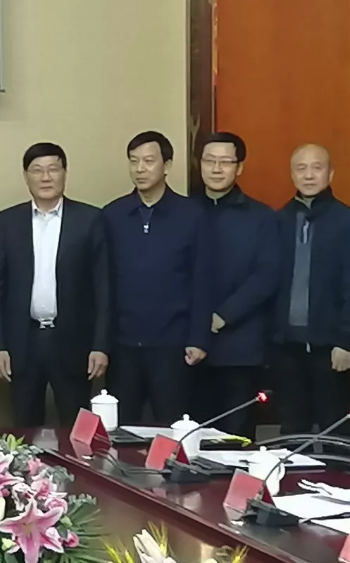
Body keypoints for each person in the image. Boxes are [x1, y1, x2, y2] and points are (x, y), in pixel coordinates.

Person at [0, 143, 110, 427]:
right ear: (26, 176)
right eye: (37, 170)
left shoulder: (89, 219)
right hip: (22, 343)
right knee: (24, 428)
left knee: (76, 428)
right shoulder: (8, 221)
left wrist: (100, 345)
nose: (45, 177)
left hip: (73, 343)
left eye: (53, 169)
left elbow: (103, 288)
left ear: (65, 173)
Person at [103, 131, 212, 425]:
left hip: (173, 345)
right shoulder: (113, 215)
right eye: (134, 161)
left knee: (171, 427)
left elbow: (202, 280)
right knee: (120, 429)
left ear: (167, 165)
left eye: (149, 161)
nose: (140, 168)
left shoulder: (192, 215)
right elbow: (103, 284)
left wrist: (198, 337)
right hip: (123, 346)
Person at [194, 132, 279, 437]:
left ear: (239, 167)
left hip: (240, 348)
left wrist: (224, 315)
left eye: (225, 162)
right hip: (189, 347)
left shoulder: (262, 217)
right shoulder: (184, 211)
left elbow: (267, 275)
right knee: (193, 438)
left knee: (236, 439)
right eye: (209, 161)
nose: (216, 169)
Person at [272, 144, 350, 434]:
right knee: (292, 430)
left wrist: (345, 341)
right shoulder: (278, 220)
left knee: (335, 431)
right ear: (292, 174)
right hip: (285, 347)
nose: (308, 175)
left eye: (317, 168)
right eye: (301, 168)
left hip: (331, 347)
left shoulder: (345, 220)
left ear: (330, 174)